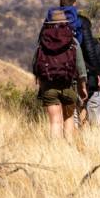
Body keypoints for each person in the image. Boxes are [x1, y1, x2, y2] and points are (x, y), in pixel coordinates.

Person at [33, 9, 87, 140]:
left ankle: (55, 151)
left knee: (55, 122)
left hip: (49, 87)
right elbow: (80, 67)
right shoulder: (73, 42)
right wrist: (83, 87)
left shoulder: (43, 42)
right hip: (69, 86)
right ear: (66, 23)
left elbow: (36, 65)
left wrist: (41, 84)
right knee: (68, 119)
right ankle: (68, 149)